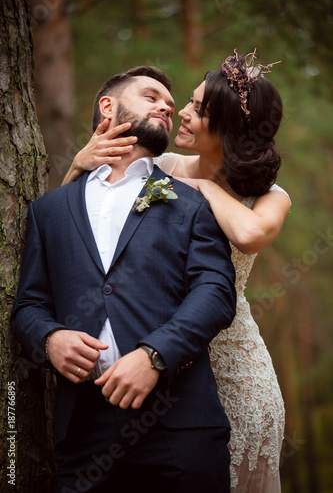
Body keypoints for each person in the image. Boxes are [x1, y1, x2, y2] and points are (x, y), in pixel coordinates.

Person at [63, 50, 291, 492]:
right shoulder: (160, 167)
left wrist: (203, 187)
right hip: (162, 360)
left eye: (198, 109)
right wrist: (77, 165)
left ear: (227, 127)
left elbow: (248, 234)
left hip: (237, 368)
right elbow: (78, 229)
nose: (180, 113)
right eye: (188, 101)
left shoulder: (269, 195)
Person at [11, 66, 237, 493]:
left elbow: (216, 291)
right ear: (108, 107)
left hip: (179, 422)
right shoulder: (50, 210)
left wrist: (155, 355)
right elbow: (28, 306)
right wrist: (50, 339)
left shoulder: (192, 201)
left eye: (171, 106)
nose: (167, 107)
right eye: (152, 96)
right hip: (82, 435)